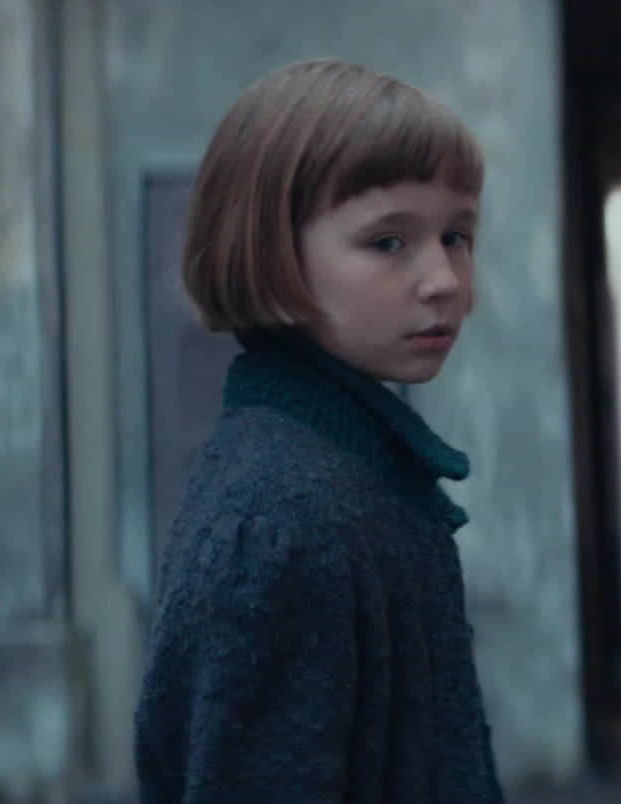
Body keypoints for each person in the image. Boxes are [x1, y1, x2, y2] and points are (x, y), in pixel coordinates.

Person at [133, 58, 503, 803]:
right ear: (272, 251)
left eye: (456, 236)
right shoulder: (279, 518)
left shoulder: (350, 468)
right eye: (389, 242)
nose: (443, 280)